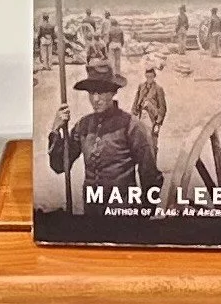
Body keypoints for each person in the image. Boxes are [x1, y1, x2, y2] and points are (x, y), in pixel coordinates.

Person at [48, 60, 160, 207]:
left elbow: (150, 176)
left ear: (113, 92)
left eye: (101, 92)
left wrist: (144, 212)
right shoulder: (83, 126)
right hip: (92, 213)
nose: (96, 99)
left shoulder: (131, 126)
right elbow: (59, 166)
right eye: (92, 93)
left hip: (123, 213)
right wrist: (55, 131)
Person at [133, 63, 168, 149]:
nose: (149, 78)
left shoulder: (158, 89)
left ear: (154, 76)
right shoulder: (141, 86)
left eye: (151, 76)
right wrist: (134, 114)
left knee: (152, 143)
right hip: (142, 116)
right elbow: (135, 102)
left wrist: (158, 123)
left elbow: (162, 108)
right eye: (147, 76)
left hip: (153, 118)